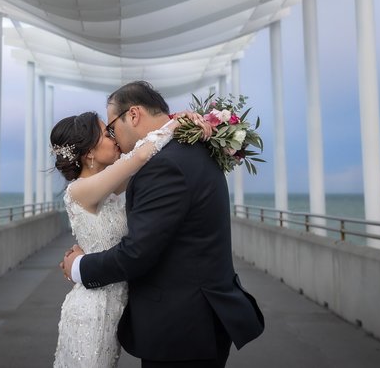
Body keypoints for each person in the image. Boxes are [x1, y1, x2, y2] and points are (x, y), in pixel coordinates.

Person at [62, 81, 264, 368]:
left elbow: (137, 253)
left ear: (133, 115)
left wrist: (79, 267)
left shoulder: (165, 165)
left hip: (182, 328)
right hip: (195, 322)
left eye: (111, 126)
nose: (113, 136)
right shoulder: (191, 150)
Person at [51, 108, 211, 367]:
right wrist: (171, 124)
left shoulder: (110, 185)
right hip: (93, 310)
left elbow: (148, 166)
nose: (114, 138)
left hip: (115, 305)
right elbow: (141, 155)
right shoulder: (79, 189)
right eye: (106, 133)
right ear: (89, 151)